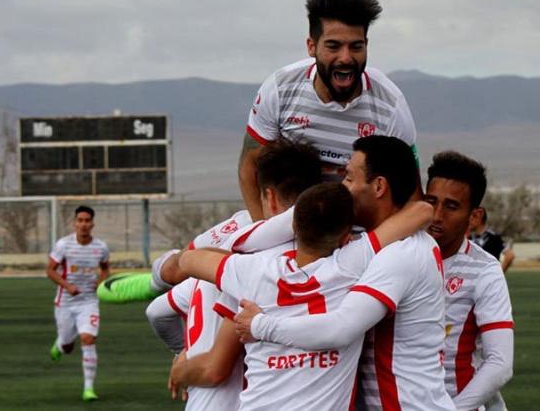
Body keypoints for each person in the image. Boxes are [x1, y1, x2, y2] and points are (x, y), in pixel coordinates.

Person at [233, 136, 455, 410]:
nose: (343, 188)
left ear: (379, 186)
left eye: (349, 178)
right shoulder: (387, 245)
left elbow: (341, 327)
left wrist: (259, 325)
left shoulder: (402, 253)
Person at [174, 183, 432, 409]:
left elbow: (188, 260)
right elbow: (422, 211)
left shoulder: (251, 271)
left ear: (294, 226)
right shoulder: (353, 263)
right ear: (345, 237)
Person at [239, 0, 417, 221]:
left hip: (359, 238)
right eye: (333, 46)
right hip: (289, 230)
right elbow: (249, 167)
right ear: (312, 46)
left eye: (356, 46)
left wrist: (373, 247)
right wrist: (262, 234)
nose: (345, 58)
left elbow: (411, 194)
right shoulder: (280, 88)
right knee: (186, 257)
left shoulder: (390, 103)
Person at [99, 138, 323, 304]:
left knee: (180, 270)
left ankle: (153, 283)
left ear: (270, 197)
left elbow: (170, 290)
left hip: (239, 340)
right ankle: (154, 281)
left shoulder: (244, 229)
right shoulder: (339, 231)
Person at [424, 151, 515, 410]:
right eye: (431, 201)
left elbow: (499, 363)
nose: (437, 215)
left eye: (451, 206)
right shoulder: (396, 254)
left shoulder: (485, 270)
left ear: (474, 216)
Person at [46, 206, 110, 402]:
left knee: (88, 339)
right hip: (65, 302)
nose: (83, 224)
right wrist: (67, 286)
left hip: (89, 301)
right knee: (68, 346)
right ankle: (60, 343)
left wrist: (100, 283)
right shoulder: (63, 245)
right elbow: (50, 270)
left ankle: (88, 388)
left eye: (87, 220)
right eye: (80, 220)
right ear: (75, 223)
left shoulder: (101, 247)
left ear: (92, 223)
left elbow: (105, 269)